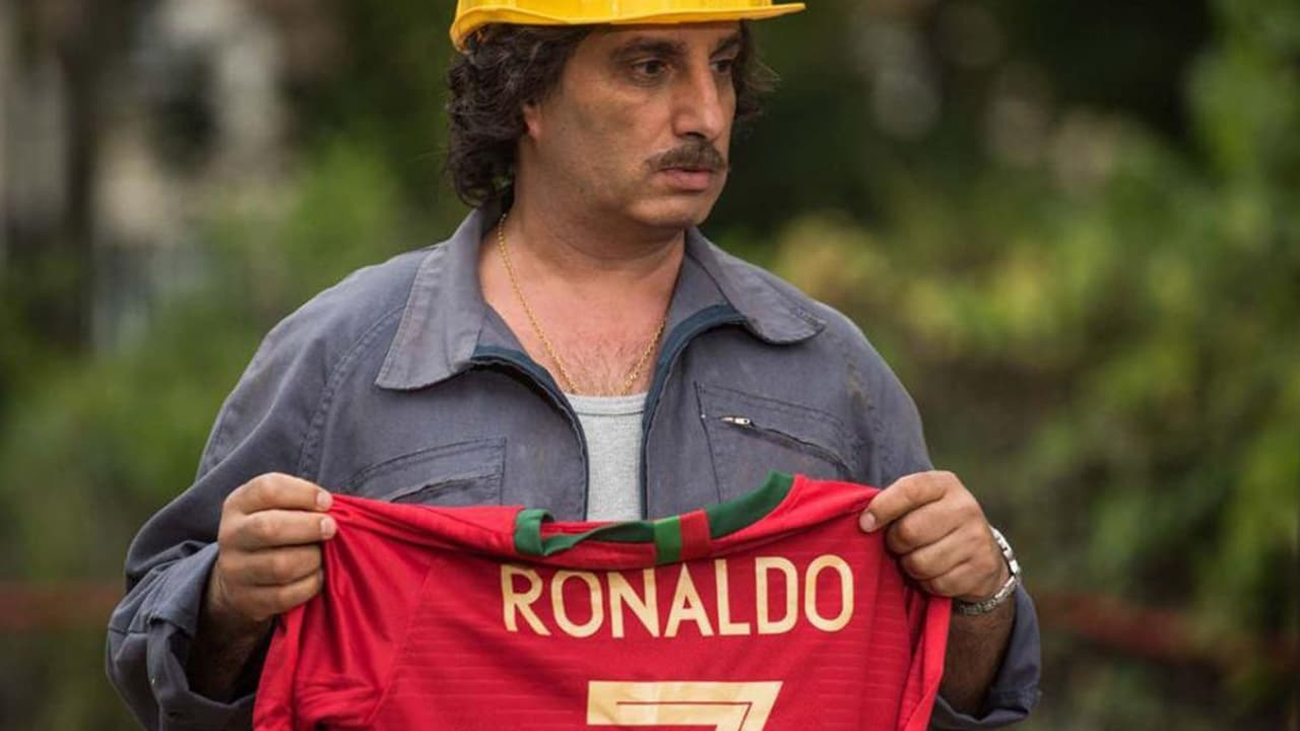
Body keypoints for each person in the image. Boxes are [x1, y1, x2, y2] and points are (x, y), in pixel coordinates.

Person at [106, 1, 1041, 728]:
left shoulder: (828, 371)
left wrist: (983, 596)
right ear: (526, 92)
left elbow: (935, 701)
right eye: (650, 66)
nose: (705, 113)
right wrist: (227, 602)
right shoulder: (346, 356)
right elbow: (157, 669)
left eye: (721, 65)